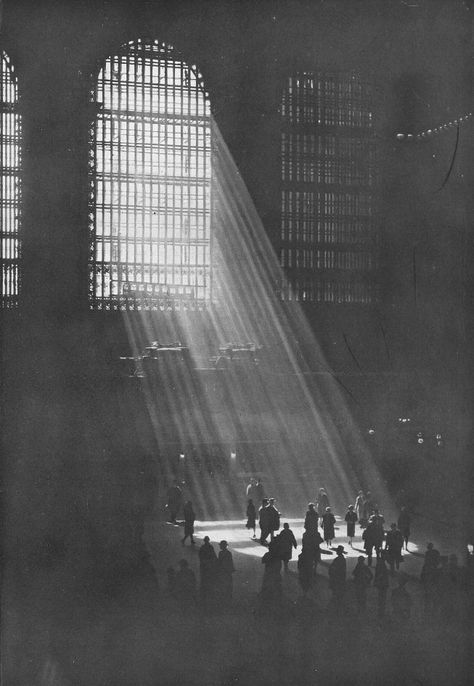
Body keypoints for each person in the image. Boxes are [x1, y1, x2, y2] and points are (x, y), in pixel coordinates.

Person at [260, 538, 283, 609]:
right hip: (276, 572)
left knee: (266, 583)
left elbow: (263, 561)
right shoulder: (277, 555)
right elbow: (279, 564)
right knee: (277, 584)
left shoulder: (267, 554)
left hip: (268, 572)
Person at [199, 536, 217, 604]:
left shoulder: (202, 547)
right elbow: (213, 555)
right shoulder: (210, 547)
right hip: (209, 564)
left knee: (204, 576)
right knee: (209, 576)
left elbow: (200, 556)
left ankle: (203, 588)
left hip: (204, 564)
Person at [328, 545, 347, 614]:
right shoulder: (343, 559)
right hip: (341, 578)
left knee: (336, 592)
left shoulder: (337, 559)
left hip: (336, 578)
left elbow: (333, 568)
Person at [217, 540, 235, 604]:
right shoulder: (229, 553)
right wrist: (232, 569)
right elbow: (230, 562)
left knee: (222, 584)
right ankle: (229, 597)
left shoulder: (220, 553)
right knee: (229, 584)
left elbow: (219, 562)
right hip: (228, 571)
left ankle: (223, 597)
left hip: (222, 571)